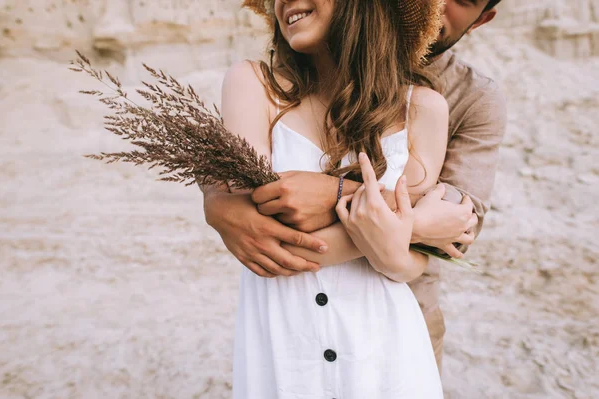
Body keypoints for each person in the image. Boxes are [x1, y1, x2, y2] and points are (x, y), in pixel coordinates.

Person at [204, 0, 507, 373]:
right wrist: (216, 198)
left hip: (403, 317)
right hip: (286, 333)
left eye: (462, 0)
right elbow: (240, 175)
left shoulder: (457, 100)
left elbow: (455, 222)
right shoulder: (271, 79)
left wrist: (332, 195)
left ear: (484, 18)